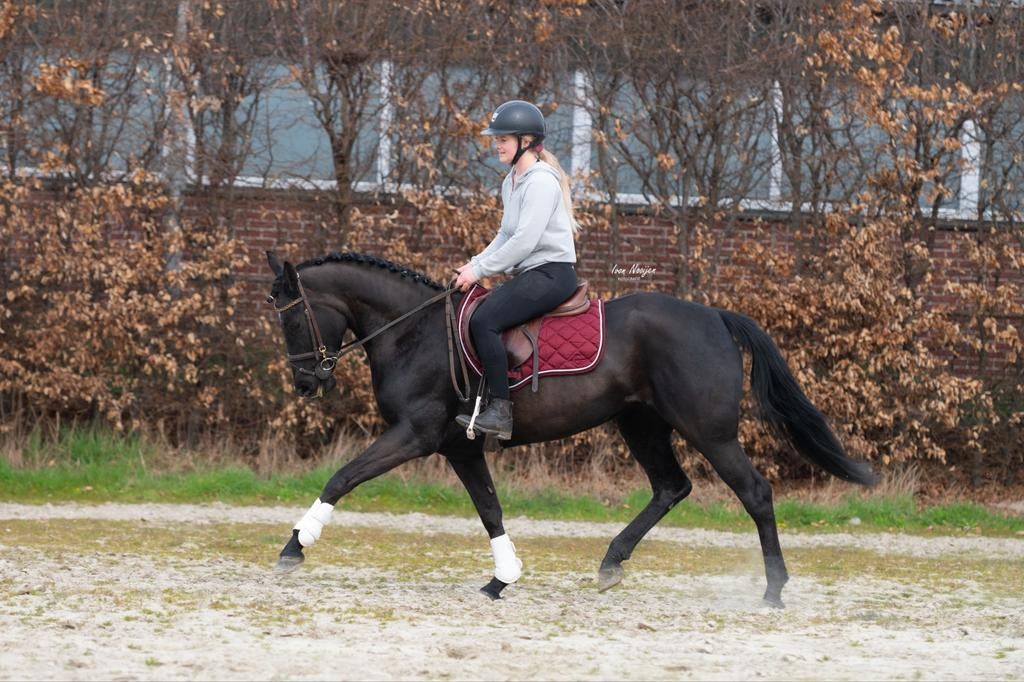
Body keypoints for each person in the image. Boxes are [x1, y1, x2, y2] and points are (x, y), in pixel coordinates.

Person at [453, 100, 580, 439]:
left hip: (552, 274)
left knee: (485, 321)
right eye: (496, 138)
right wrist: (474, 264)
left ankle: (500, 413)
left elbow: (524, 242)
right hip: (531, 274)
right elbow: (505, 236)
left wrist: (479, 273)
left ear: (526, 141)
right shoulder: (512, 181)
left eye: (503, 139)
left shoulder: (541, 182)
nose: (497, 144)